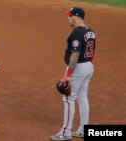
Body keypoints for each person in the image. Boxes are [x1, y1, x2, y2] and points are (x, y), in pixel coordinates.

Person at [51, 7, 96, 140]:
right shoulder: (91, 31)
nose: (68, 18)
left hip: (77, 68)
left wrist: (68, 74)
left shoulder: (77, 33)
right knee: (82, 97)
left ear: (76, 17)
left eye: (70, 16)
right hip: (88, 65)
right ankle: (83, 130)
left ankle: (66, 133)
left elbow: (75, 55)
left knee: (68, 98)